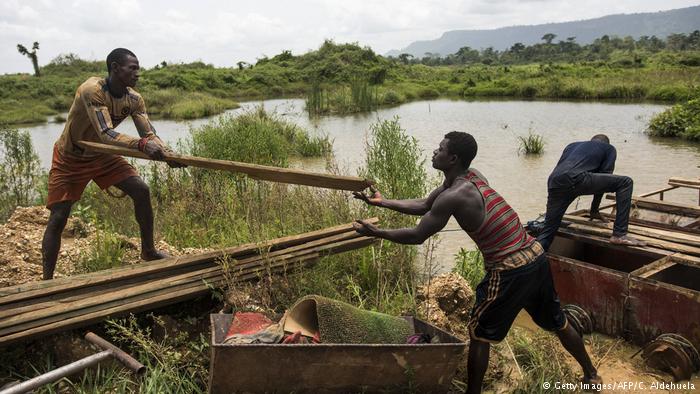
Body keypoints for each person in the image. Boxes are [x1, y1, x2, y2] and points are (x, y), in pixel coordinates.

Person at [353, 131, 601, 393]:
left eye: (440, 149)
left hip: (510, 269)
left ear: (453, 158)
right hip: (535, 255)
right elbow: (425, 205)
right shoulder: (470, 176)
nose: (435, 152)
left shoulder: (454, 195)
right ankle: (591, 374)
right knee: (557, 320)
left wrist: (376, 233)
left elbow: (417, 235)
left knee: (478, 333)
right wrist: (382, 203)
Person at [41, 48, 183, 280]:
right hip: (71, 157)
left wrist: (167, 154)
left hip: (103, 156)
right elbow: (106, 132)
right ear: (115, 68)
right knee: (59, 216)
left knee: (141, 190)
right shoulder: (92, 91)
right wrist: (141, 145)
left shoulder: (134, 98)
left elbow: (148, 133)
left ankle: (148, 251)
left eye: (138, 68)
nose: (138, 73)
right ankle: (46, 281)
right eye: (132, 68)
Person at [537, 134, 645, 251]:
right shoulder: (609, 148)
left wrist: (594, 211)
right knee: (626, 182)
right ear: (606, 143)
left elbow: (564, 168)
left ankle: (534, 257)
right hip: (577, 179)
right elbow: (605, 175)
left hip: (555, 181)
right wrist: (594, 209)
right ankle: (619, 234)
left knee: (549, 230)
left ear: (591, 141)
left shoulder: (572, 145)